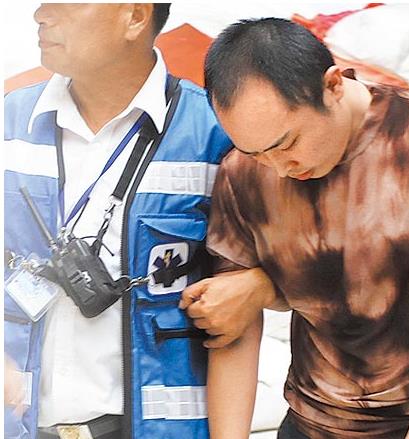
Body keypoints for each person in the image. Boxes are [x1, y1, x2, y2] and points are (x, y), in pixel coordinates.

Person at [181, 17, 409, 439]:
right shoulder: (242, 172)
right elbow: (234, 321)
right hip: (314, 420)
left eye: (287, 143)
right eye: (256, 153)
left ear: (333, 85)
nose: (279, 168)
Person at [3, 4, 253, 438]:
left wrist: (261, 284)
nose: (41, 14)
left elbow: (237, 311)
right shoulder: (10, 122)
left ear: (135, 16)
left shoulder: (213, 133)